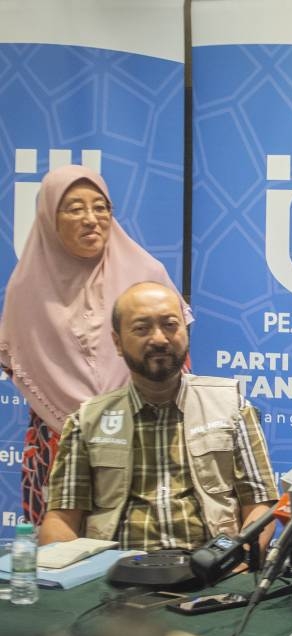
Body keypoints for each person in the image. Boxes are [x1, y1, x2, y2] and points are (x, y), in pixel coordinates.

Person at [0, 165, 191, 526]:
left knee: (141, 544)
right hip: (57, 439)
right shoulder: (25, 288)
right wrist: (69, 406)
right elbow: (15, 360)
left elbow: (178, 358)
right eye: (75, 208)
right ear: (49, 218)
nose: (92, 219)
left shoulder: (144, 273)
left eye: (101, 207)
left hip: (146, 432)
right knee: (62, 558)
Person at [39, 282, 277, 551]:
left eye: (170, 325)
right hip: (113, 579)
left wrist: (239, 560)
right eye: (142, 328)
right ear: (117, 342)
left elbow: (261, 505)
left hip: (211, 576)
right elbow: (61, 520)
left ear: (185, 331)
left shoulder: (232, 407)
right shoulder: (87, 422)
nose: (159, 339)